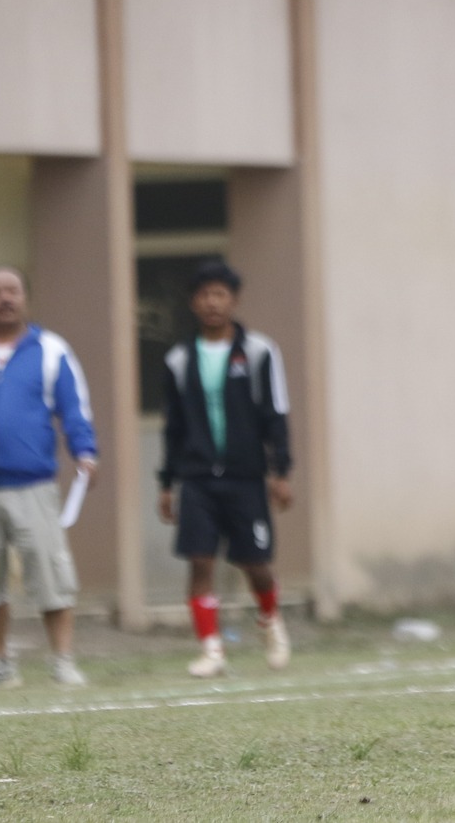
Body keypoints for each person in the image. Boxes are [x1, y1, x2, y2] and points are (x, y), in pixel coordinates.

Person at [157, 259, 294, 678]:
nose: (212, 302)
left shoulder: (258, 351)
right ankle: (211, 650)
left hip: (245, 476)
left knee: (254, 562)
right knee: (199, 560)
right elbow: (174, 426)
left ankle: (270, 621)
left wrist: (281, 471)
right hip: (198, 478)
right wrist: (167, 482)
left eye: (220, 294)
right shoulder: (179, 359)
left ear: (233, 301)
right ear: (194, 303)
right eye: (204, 295)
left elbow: (275, 413)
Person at [0, 265, 97, 689]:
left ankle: (62, 660)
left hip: (32, 484)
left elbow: (74, 408)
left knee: (49, 573)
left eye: (12, 290)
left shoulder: (50, 350)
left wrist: (85, 452)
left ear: (26, 296)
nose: (4, 298)